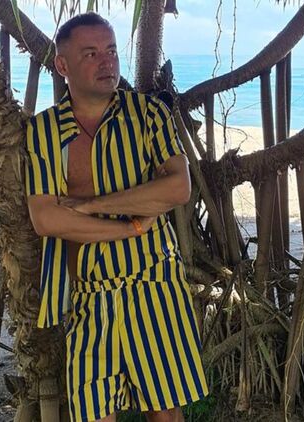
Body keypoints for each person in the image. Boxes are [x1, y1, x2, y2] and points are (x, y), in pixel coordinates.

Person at [24, 12, 209, 422]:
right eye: (90, 53)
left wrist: (90, 204)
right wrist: (129, 227)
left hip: (155, 286)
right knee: (94, 414)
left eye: (110, 50)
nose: (107, 62)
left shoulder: (148, 114)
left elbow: (178, 188)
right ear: (63, 65)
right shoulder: (44, 131)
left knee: (166, 414)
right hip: (89, 295)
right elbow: (47, 220)